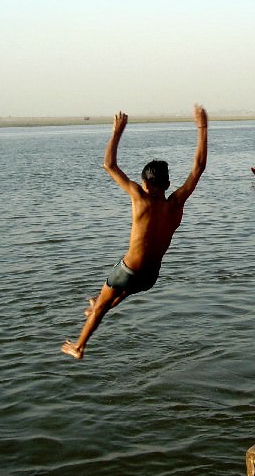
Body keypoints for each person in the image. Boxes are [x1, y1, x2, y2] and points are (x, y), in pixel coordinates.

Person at [61, 106, 209, 359]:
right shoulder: (175, 203)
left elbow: (109, 165)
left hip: (127, 270)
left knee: (103, 305)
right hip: (151, 277)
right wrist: (202, 128)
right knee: (119, 294)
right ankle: (98, 305)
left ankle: (79, 346)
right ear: (168, 184)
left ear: (144, 183)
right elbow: (198, 169)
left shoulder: (138, 197)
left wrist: (117, 131)